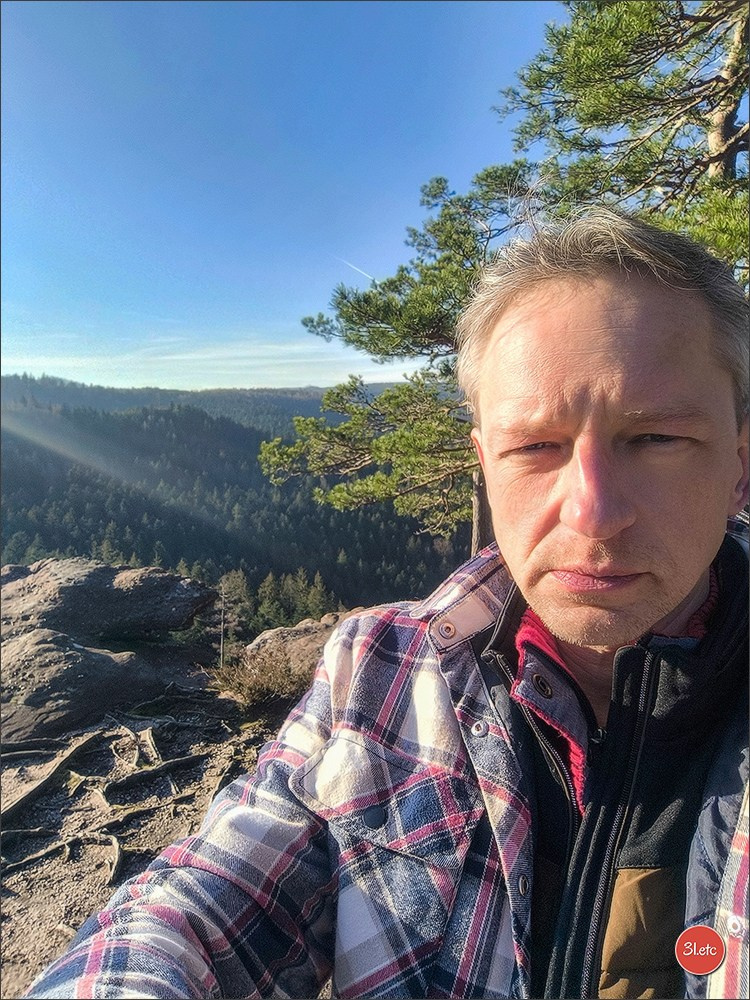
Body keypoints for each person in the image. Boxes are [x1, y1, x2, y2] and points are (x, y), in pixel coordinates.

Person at [26, 208, 748, 1000]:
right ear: (485, 466)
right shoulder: (381, 669)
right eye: (534, 447)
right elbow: (204, 905)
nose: (592, 512)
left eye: (655, 440)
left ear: (740, 465)